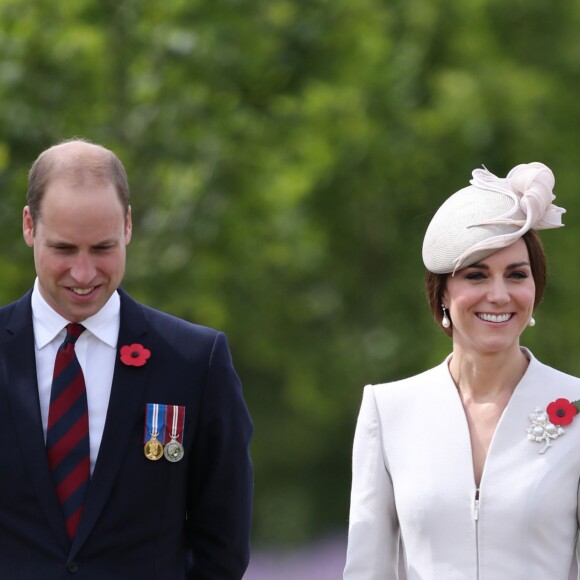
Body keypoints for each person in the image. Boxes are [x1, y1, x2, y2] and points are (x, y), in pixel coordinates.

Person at [0, 139, 253, 579]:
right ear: (29, 226)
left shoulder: (195, 362)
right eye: (63, 249)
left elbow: (223, 545)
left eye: (102, 248)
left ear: (128, 227)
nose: (83, 274)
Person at [343, 162, 580, 579]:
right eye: (476, 275)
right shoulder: (388, 409)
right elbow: (367, 569)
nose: (499, 294)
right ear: (443, 293)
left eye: (516, 275)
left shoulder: (576, 408)